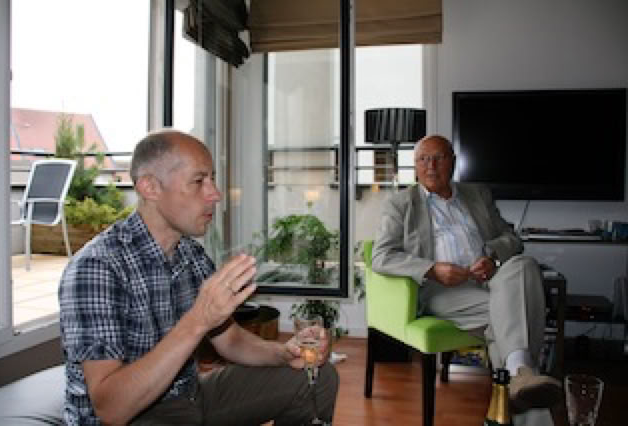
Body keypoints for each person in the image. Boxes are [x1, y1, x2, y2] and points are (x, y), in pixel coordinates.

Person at [59, 129, 338, 425]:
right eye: (198, 181)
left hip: (189, 397)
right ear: (150, 187)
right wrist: (197, 320)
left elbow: (230, 340)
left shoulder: (191, 254)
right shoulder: (96, 267)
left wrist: (285, 352)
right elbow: (111, 409)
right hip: (136, 417)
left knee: (317, 378)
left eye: (212, 179)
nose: (215, 194)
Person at [371, 135, 561, 417]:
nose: (431, 165)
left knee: (524, 265)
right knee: (518, 312)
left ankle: (518, 379)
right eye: (423, 159)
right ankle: (521, 377)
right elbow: (381, 256)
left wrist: (493, 258)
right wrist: (432, 269)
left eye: (438, 158)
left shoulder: (477, 195)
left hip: (494, 280)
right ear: (415, 165)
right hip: (443, 290)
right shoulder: (401, 204)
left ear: (453, 162)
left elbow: (511, 238)